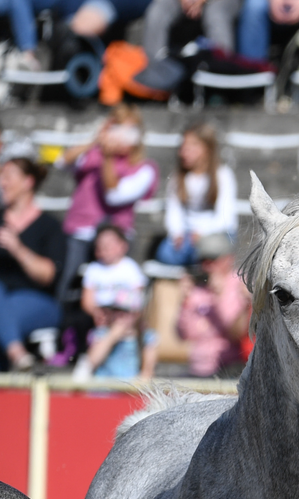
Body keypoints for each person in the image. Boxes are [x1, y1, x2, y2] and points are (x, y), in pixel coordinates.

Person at [58, 107, 158, 300]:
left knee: (115, 297)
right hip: (79, 233)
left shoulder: (145, 168)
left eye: (129, 130)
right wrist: (95, 140)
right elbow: (61, 162)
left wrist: (107, 158)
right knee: (69, 289)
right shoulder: (92, 155)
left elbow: (113, 196)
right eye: (117, 128)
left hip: (116, 240)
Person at [0, 154, 65, 372]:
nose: (2, 182)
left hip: (38, 302)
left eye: (7, 175)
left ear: (28, 181)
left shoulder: (50, 226)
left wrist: (17, 249)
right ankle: (17, 354)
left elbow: (48, 275)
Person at [156, 120, 237, 268]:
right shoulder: (177, 178)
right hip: (188, 235)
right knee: (165, 253)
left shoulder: (223, 175)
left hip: (215, 232)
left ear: (207, 148)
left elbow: (226, 217)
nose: (183, 152)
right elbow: (173, 212)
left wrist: (201, 233)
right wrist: (177, 233)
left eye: (191, 146)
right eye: (182, 146)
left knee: (210, 248)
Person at [172, 230, 249, 376]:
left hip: (230, 367)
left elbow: (235, 333)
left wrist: (219, 296)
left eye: (212, 260)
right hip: (198, 368)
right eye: (203, 260)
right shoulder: (198, 287)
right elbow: (184, 335)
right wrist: (185, 302)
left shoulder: (240, 284)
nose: (207, 266)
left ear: (228, 259)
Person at [76, 224, 145, 381]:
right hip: (102, 322)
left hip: (126, 321)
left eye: (109, 243)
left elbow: (138, 298)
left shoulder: (130, 268)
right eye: (100, 245)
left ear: (123, 246)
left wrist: (125, 314)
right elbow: (87, 301)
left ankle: (86, 367)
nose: (104, 248)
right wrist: (96, 312)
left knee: (124, 330)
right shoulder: (94, 269)